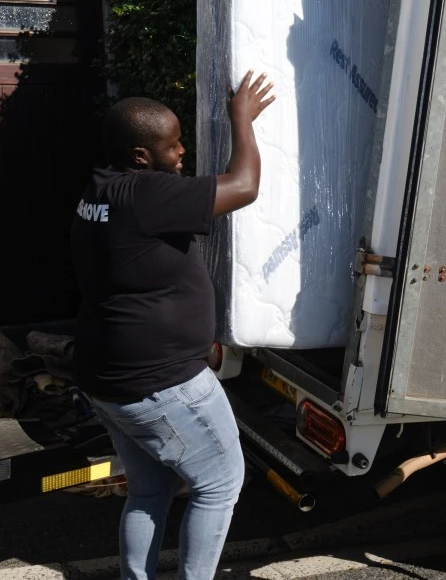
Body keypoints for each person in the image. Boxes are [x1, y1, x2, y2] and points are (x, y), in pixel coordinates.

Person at [69, 70, 276, 580]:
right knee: (220, 484)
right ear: (141, 156)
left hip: (107, 376)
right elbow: (244, 186)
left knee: (150, 489)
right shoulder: (149, 195)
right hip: (161, 383)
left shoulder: (100, 189)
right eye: (174, 144)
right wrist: (241, 120)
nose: (183, 152)